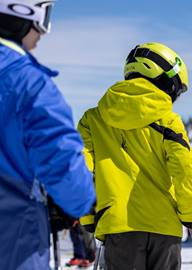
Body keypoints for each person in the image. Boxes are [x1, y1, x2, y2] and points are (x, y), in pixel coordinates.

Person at [77, 42, 192, 270]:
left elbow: (81, 170)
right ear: (164, 79)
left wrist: (87, 217)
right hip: (164, 227)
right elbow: (186, 171)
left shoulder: (92, 120)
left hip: (118, 227)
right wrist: (190, 213)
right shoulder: (169, 121)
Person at [0, 1, 96, 269]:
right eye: (44, 17)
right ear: (19, 14)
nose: (43, 32)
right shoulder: (28, 82)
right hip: (13, 236)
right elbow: (61, 159)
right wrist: (75, 202)